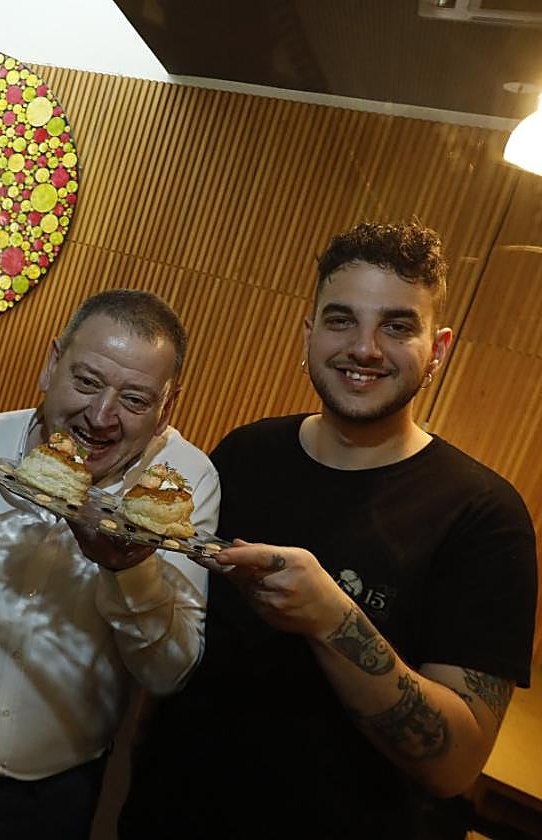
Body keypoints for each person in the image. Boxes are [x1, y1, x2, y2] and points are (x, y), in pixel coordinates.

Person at [121, 221, 537, 838]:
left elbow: (455, 764)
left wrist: (331, 620)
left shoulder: (484, 517)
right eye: (342, 320)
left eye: (397, 326)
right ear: (309, 334)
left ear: (439, 350)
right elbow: (180, 640)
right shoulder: (243, 453)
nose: (365, 348)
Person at [0, 290, 221, 839]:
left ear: (166, 409)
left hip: (50, 799)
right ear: (52, 364)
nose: (101, 416)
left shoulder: (183, 487)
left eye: (134, 399)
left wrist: (127, 570)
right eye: (87, 381)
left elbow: (168, 671)